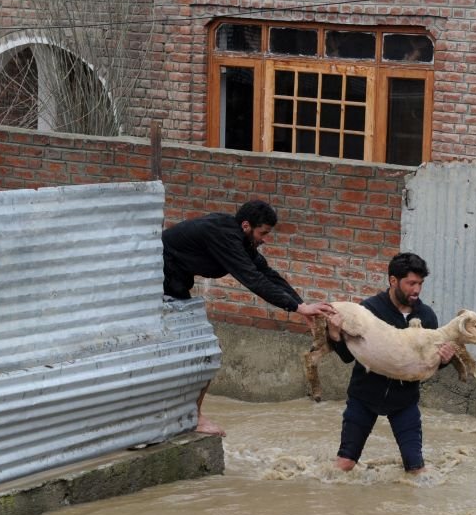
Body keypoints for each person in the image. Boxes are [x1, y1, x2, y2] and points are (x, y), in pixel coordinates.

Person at [162, 199, 335, 436]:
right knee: (207, 350)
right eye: (262, 232)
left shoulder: (239, 238)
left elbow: (266, 273)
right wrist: (296, 307)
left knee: (205, 351)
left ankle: (189, 416)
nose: (265, 239)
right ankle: (193, 417)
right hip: (154, 285)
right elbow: (252, 279)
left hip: (174, 288)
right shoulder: (224, 236)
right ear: (246, 226)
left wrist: (302, 305)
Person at [326, 252, 455, 474]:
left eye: (420, 284)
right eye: (411, 283)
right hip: (364, 396)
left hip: (404, 401)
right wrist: (335, 334)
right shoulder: (369, 311)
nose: (416, 290)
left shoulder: (426, 317)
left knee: (417, 470)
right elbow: (348, 357)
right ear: (393, 280)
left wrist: (444, 360)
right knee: (344, 465)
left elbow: (426, 364)